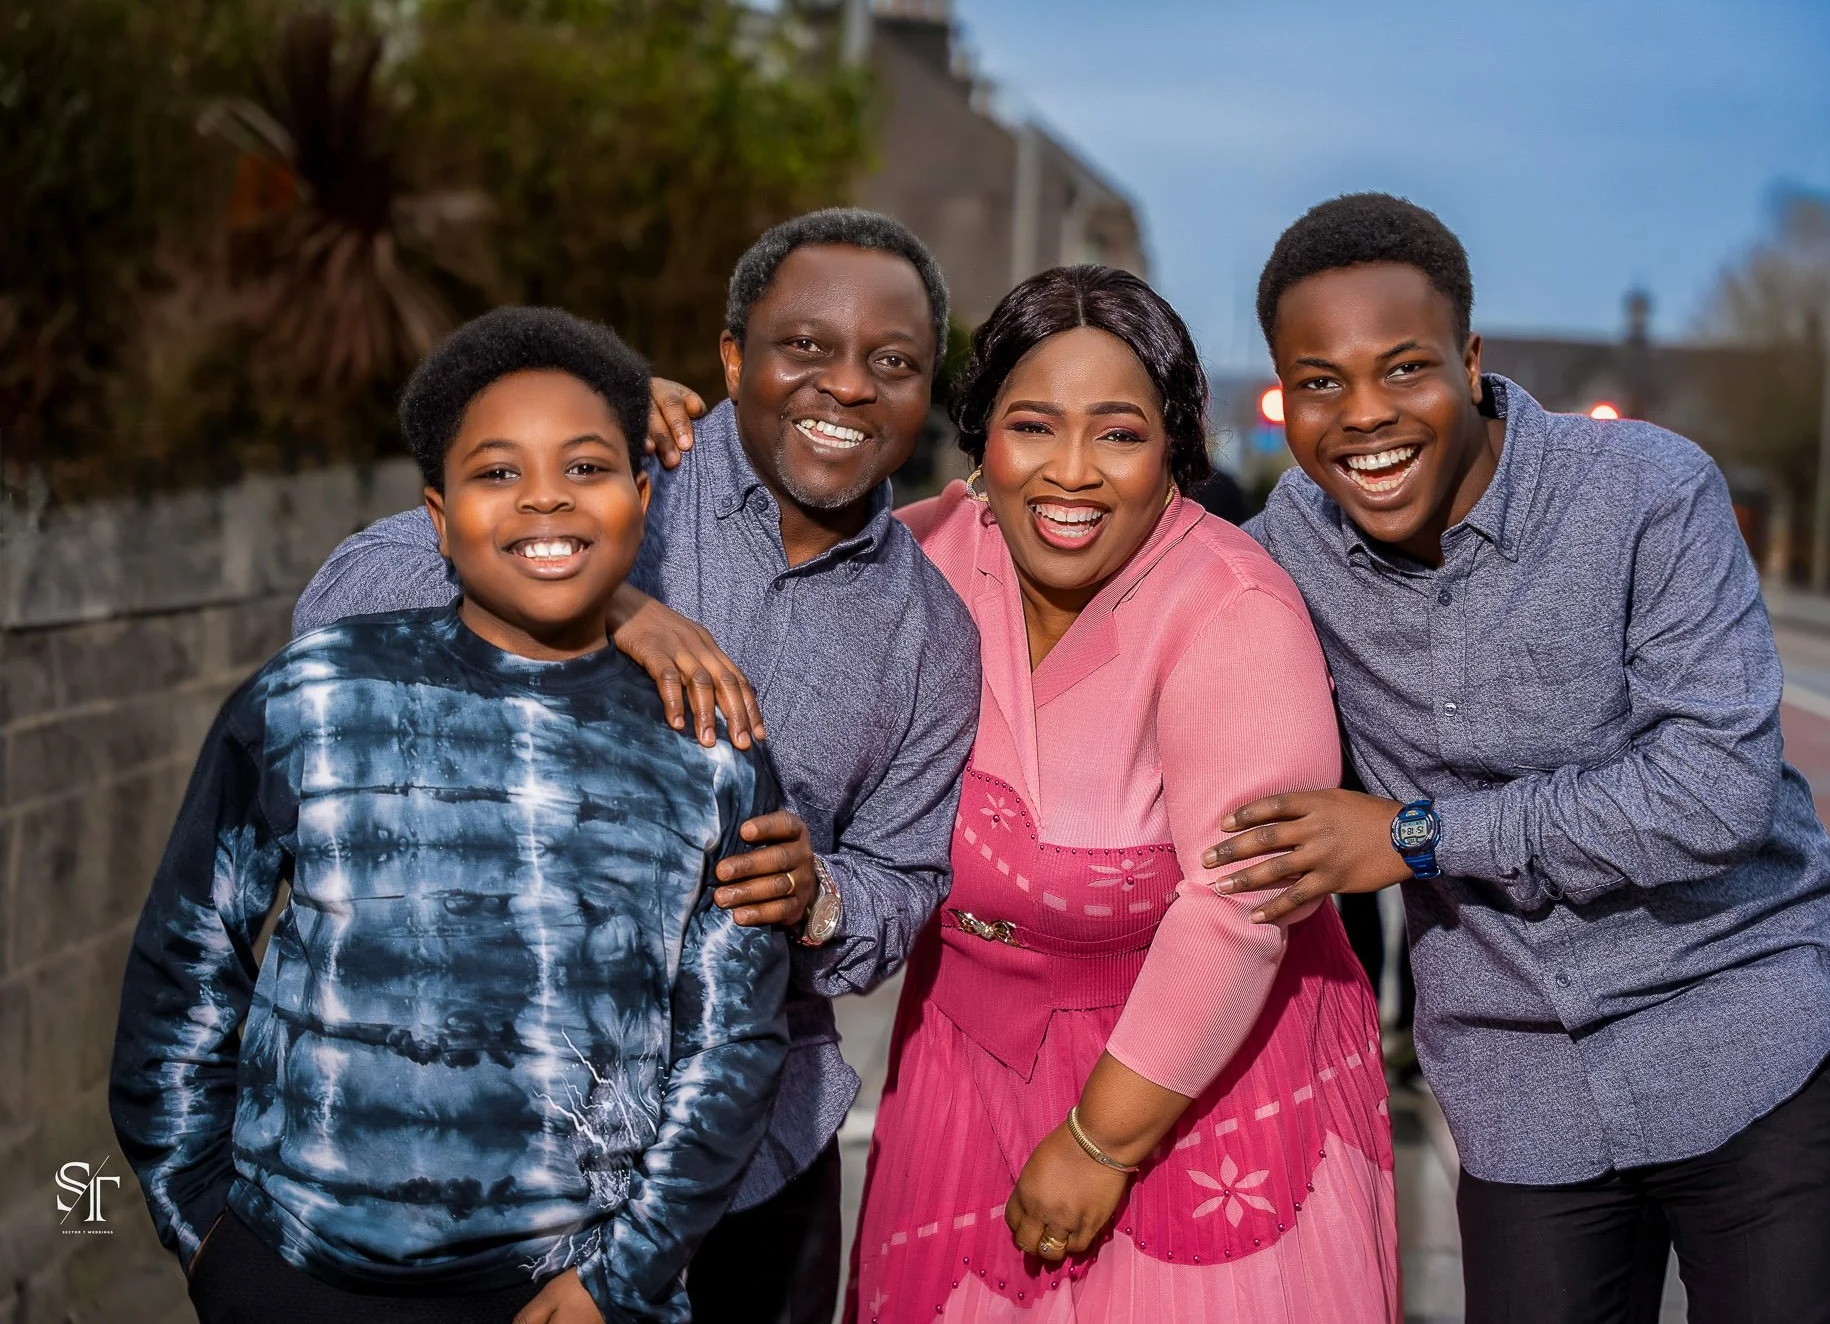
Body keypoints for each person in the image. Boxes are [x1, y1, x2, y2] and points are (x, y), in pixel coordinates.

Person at [290, 210, 981, 1324]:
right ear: (729, 357)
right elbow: (347, 602)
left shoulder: (933, 636)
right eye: (805, 346)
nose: (847, 387)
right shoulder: (619, 468)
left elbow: (904, 882)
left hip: (753, 1155)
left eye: (892, 363)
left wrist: (819, 900)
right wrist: (600, 600)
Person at [1205, 193, 1830, 1324]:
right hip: (1520, 1089)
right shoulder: (1280, 555)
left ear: (1468, 361)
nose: (1362, 416)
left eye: (1402, 367)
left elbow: (1710, 791)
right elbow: (1129, 603)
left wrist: (1414, 837)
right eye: (1319, 382)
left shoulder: (1645, 493)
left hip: (1745, 1035)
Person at [108, 306, 790, 1324]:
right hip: (294, 1276)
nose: (544, 497)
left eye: (586, 467)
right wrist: (202, 1224)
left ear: (642, 499)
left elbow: (730, 1044)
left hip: (573, 1296)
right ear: (436, 516)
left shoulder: (710, 747)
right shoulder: (313, 697)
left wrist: (621, 1278)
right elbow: (186, 958)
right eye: (497, 471)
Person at [845, 265, 1401, 1323]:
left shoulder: (1234, 610)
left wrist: (1100, 1140)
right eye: (1031, 427)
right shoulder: (923, 554)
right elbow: (763, 563)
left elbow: (1236, 907)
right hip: (961, 1066)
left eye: (1116, 434)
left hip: (1193, 1079)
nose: (1070, 474)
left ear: (1172, 449)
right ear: (981, 441)